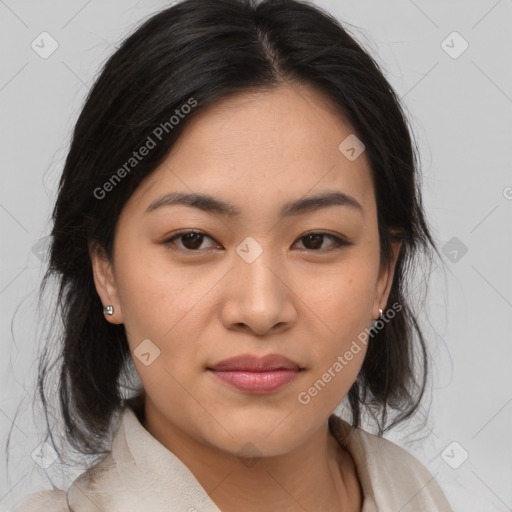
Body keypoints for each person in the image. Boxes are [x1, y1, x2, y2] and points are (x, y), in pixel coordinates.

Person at [11, 0, 453, 510]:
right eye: (193, 239)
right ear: (105, 272)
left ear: (384, 274)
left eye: (315, 240)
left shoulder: (414, 493)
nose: (261, 309)